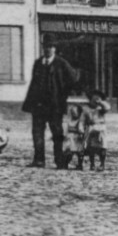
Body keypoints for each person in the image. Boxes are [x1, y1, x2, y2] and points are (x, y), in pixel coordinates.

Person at [21, 35, 80, 168]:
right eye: (45, 47)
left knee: (57, 133)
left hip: (55, 106)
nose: (48, 49)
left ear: (55, 48)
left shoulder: (61, 63)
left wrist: (63, 94)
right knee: (37, 133)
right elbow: (33, 83)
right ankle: (39, 160)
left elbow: (73, 79)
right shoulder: (38, 63)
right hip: (38, 105)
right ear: (43, 48)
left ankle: (59, 161)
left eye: (50, 47)